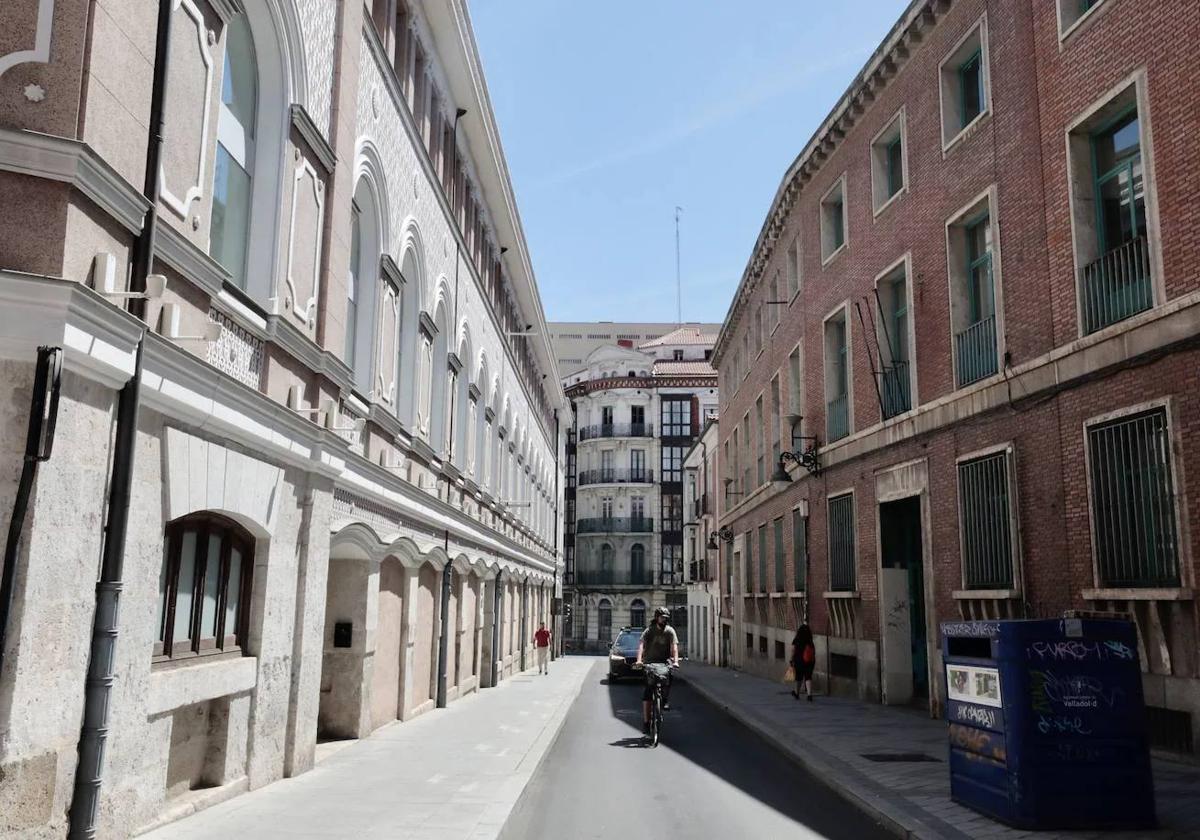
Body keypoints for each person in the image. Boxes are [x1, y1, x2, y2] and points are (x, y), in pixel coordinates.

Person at [635, 606, 680, 734]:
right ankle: (646, 722)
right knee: (648, 693)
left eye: (666, 618)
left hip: (664, 662)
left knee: (669, 677)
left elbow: (674, 647)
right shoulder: (649, 630)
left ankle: (664, 700)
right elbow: (641, 645)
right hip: (650, 663)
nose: (664, 620)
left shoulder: (670, 631)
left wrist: (676, 661)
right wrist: (639, 660)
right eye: (662, 617)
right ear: (656, 618)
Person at [791, 623, 815, 701]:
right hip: (809, 661)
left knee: (799, 677)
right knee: (808, 677)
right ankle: (809, 695)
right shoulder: (810, 640)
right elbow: (813, 651)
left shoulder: (797, 639)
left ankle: (796, 693)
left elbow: (793, 650)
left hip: (799, 660)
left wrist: (792, 660)